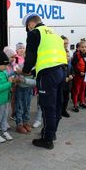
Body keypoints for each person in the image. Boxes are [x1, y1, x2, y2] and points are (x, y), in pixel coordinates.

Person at [20, 13, 67, 149]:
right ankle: (51, 133)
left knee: (47, 107)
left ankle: (47, 140)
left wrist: (25, 70)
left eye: (27, 28)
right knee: (57, 105)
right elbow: (50, 58)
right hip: (61, 72)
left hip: (48, 75)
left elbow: (31, 57)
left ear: (30, 25)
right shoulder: (54, 33)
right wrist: (35, 71)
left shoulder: (34, 33)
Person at [71, 40, 86, 112]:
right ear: (79, 48)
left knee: (83, 90)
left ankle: (82, 102)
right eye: (82, 47)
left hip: (85, 76)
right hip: (78, 76)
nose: (84, 48)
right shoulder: (76, 55)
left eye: (85, 47)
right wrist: (79, 72)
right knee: (76, 90)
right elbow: (74, 65)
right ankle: (75, 105)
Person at [62, 49, 73, 117]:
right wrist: (64, 78)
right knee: (61, 99)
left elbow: (72, 72)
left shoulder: (70, 65)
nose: (67, 57)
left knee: (66, 99)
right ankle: (59, 111)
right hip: (61, 86)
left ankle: (64, 110)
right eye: (66, 56)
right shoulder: (60, 66)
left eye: (68, 56)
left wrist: (72, 75)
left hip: (68, 85)